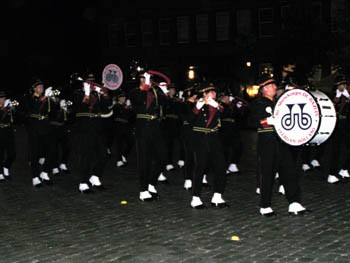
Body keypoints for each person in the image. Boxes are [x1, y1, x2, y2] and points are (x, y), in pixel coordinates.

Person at [247, 74, 309, 216]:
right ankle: (265, 205)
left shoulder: (279, 102)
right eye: (271, 85)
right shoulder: (258, 103)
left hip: (282, 140)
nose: (275, 87)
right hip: (267, 141)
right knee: (267, 173)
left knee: (289, 171)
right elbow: (253, 121)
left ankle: (294, 202)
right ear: (263, 89)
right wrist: (268, 120)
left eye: (274, 85)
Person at [128, 71, 168, 201]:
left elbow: (166, 106)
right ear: (140, 79)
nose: (148, 80)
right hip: (142, 126)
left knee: (162, 156)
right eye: (145, 78)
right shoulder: (134, 92)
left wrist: (164, 92)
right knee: (144, 159)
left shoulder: (155, 92)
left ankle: (151, 183)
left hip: (155, 126)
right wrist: (145, 87)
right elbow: (138, 101)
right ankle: (143, 189)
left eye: (150, 79)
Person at [189, 82, 229, 209]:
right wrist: (197, 108)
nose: (214, 94)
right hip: (200, 138)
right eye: (211, 92)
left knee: (221, 166)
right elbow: (188, 119)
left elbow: (229, 114)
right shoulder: (195, 104)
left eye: (215, 92)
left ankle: (217, 195)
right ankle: (195, 197)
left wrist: (217, 105)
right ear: (204, 94)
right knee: (200, 167)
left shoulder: (218, 106)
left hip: (214, 138)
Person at [72, 73, 112, 193]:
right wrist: (87, 93)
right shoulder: (78, 93)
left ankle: (95, 177)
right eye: (89, 81)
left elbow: (106, 107)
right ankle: (83, 183)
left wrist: (104, 94)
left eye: (93, 81)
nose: (92, 84)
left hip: (97, 127)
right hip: (84, 127)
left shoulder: (97, 94)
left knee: (103, 155)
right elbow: (81, 106)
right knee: (86, 156)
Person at [22, 79, 57, 187]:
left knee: (52, 150)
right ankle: (35, 177)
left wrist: (53, 99)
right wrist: (45, 97)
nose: (41, 88)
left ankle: (45, 172)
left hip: (46, 126)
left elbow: (53, 111)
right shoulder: (29, 97)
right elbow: (35, 107)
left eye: (42, 86)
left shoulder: (45, 97)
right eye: (39, 87)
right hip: (34, 127)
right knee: (34, 153)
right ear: (34, 88)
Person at [326, 74, 350, 183]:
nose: (343, 86)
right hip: (336, 124)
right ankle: (332, 174)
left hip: (346, 124)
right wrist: (337, 97)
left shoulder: (347, 94)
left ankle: (344, 169)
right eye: (341, 84)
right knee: (335, 150)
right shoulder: (332, 95)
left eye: (344, 84)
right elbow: (330, 106)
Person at [113, 90, 135, 167]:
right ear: (118, 98)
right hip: (118, 125)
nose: (123, 98)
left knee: (131, 142)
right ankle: (118, 160)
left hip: (127, 126)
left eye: (124, 97)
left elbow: (131, 117)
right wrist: (126, 108)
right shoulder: (116, 106)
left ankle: (124, 155)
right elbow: (118, 113)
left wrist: (130, 108)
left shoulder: (127, 106)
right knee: (119, 144)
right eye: (121, 97)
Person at [0, 90, 17, 181]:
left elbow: (16, 118)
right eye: (1, 98)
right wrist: (4, 108)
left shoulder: (7, 107)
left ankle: (6, 167)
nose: (2, 100)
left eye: (4, 98)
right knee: (0, 154)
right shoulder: (4, 107)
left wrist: (13, 108)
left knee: (12, 153)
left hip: (8, 131)